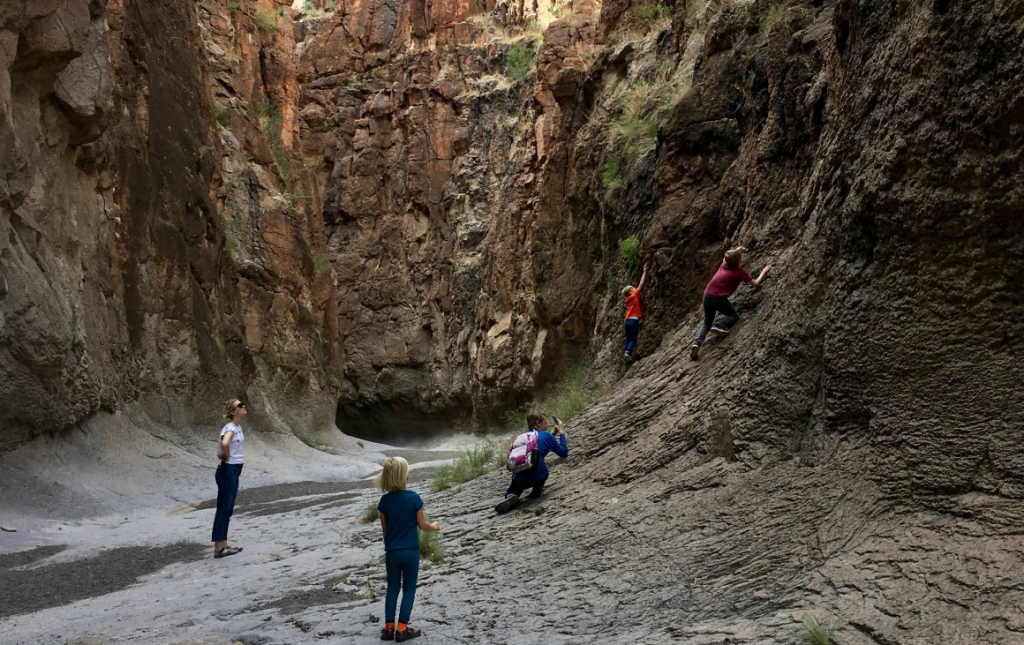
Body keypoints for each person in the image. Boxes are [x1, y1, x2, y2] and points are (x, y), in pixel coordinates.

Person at [376, 456, 440, 642]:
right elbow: (422, 524)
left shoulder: (384, 502)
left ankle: (388, 628)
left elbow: (385, 531)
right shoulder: (414, 498)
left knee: (393, 589)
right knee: (409, 589)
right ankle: (402, 629)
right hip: (411, 551)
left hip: (392, 552)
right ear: (404, 476)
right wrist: (434, 526)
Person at [689, 246, 772, 360]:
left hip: (707, 295)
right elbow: (755, 283)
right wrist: (764, 271)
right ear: (738, 261)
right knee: (734, 316)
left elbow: (727, 257)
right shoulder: (739, 272)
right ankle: (719, 326)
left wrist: (738, 249)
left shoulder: (724, 264)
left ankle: (696, 343)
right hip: (718, 298)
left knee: (707, 321)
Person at [495, 413, 568, 514]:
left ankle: (510, 496)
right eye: (545, 423)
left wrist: (552, 434)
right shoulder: (546, 435)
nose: (547, 426)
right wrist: (561, 432)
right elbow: (564, 453)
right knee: (538, 467)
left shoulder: (520, 437)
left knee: (512, 490)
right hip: (540, 476)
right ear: (538, 424)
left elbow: (538, 446)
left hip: (519, 480)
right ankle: (537, 488)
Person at [212, 399, 246, 558]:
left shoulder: (237, 427)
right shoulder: (230, 427)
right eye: (240, 405)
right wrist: (227, 455)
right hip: (228, 470)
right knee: (224, 508)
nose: (243, 407)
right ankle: (218, 547)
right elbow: (225, 441)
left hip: (234, 469)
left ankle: (223, 544)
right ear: (233, 412)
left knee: (228, 508)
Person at [621, 263, 649, 363]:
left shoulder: (626, 300)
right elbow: (641, 284)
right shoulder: (634, 295)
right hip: (633, 320)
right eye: (632, 288)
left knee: (628, 339)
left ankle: (626, 358)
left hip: (626, 321)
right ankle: (628, 352)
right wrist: (644, 271)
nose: (634, 288)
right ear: (630, 292)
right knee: (633, 339)